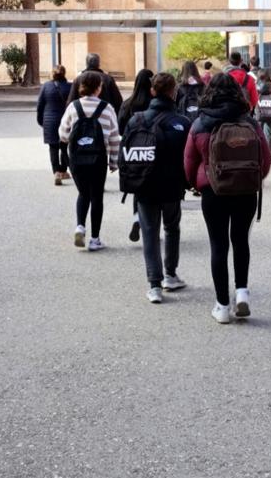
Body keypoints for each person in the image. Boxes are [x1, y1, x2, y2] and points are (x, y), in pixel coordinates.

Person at [184, 73, 271, 324]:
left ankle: (222, 306)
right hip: (246, 190)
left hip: (214, 191)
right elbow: (265, 160)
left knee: (218, 245)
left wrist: (197, 184)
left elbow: (189, 162)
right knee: (241, 241)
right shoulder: (250, 122)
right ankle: (242, 292)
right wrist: (254, 180)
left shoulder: (200, 124)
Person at [120, 72, 192, 303]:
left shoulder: (137, 120)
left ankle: (154, 285)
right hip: (172, 185)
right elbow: (190, 158)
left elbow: (125, 150)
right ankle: (170, 274)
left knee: (149, 232)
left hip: (144, 184)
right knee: (172, 228)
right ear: (174, 92)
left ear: (153, 91)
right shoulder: (182, 123)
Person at [58, 70, 121, 251]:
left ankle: (80, 226)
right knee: (96, 197)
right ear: (98, 88)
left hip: (77, 158)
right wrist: (114, 162)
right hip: (98, 159)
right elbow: (115, 138)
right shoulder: (107, 108)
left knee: (83, 193)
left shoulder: (73, 107)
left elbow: (62, 135)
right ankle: (95, 239)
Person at [119, 68, 156, 243]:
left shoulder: (128, 104)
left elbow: (121, 128)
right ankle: (153, 224)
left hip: (133, 152)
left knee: (138, 186)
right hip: (154, 150)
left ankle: (136, 216)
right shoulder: (155, 103)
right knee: (155, 187)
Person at [36, 65, 72, 186]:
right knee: (64, 146)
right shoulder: (69, 87)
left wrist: (41, 121)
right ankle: (63, 170)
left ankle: (56, 172)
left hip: (49, 121)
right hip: (65, 120)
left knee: (53, 147)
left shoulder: (46, 86)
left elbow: (40, 105)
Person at [255, 68, 271, 149]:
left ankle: (260, 156)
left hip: (259, 113)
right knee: (268, 136)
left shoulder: (256, 86)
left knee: (258, 135)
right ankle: (268, 156)